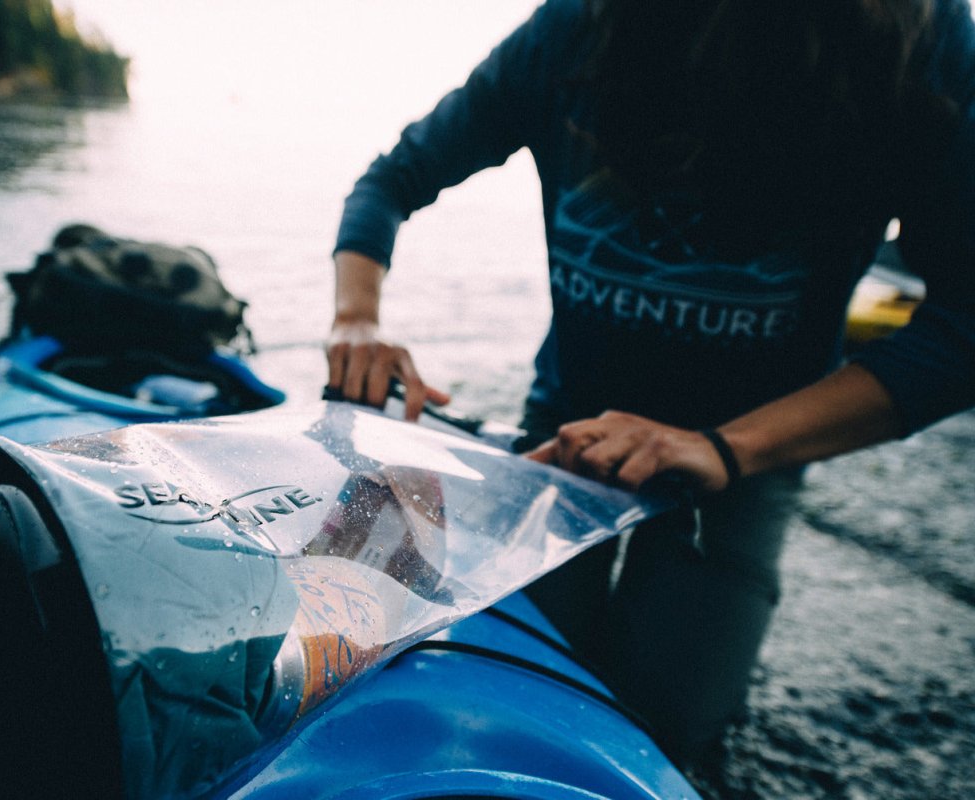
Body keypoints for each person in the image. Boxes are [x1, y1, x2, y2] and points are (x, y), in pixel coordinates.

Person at [324, 0, 975, 762]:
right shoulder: (576, 25)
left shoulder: (923, 42)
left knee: (673, 733)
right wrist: (357, 321)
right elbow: (394, 178)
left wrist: (722, 448)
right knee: (489, 685)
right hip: (566, 438)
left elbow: (964, 326)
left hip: (747, 463)